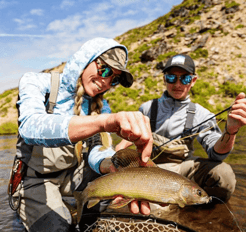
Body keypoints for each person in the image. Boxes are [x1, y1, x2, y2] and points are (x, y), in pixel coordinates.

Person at [9, 37, 153, 232]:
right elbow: (30, 127)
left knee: (100, 215)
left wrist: (113, 165)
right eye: (105, 70)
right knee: (59, 227)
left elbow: (97, 150)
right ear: (85, 60)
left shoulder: (100, 105)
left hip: (73, 175)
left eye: (114, 79)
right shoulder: (36, 82)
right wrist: (103, 122)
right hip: (35, 179)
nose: (106, 82)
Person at [116, 54, 246, 203]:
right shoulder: (147, 108)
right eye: (171, 78)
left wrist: (230, 131)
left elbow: (216, 154)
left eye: (185, 78)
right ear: (164, 79)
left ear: (193, 81)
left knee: (223, 174)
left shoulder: (202, 114)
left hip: (182, 170)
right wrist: (118, 152)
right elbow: (128, 139)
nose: (178, 84)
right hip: (150, 169)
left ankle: (199, 212)